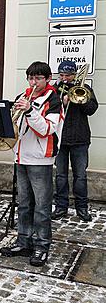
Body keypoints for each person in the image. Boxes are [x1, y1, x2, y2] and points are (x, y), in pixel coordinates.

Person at [0, 62, 62, 267]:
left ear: (48, 79)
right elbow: (14, 125)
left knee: (42, 207)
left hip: (40, 159)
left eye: (38, 78)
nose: (33, 82)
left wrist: (29, 111)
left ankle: (42, 246)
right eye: (31, 78)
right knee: (24, 204)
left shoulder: (54, 100)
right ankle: (23, 241)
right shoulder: (23, 96)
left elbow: (46, 129)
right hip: (21, 156)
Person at [53, 60, 98, 222]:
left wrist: (80, 101)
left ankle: (82, 208)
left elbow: (92, 110)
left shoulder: (85, 89)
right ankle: (61, 207)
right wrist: (61, 102)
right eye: (62, 75)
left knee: (80, 176)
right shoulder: (55, 90)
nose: (65, 79)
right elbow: (47, 109)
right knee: (60, 176)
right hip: (60, 139)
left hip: (80, 139)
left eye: (68, 75)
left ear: (74, 75)